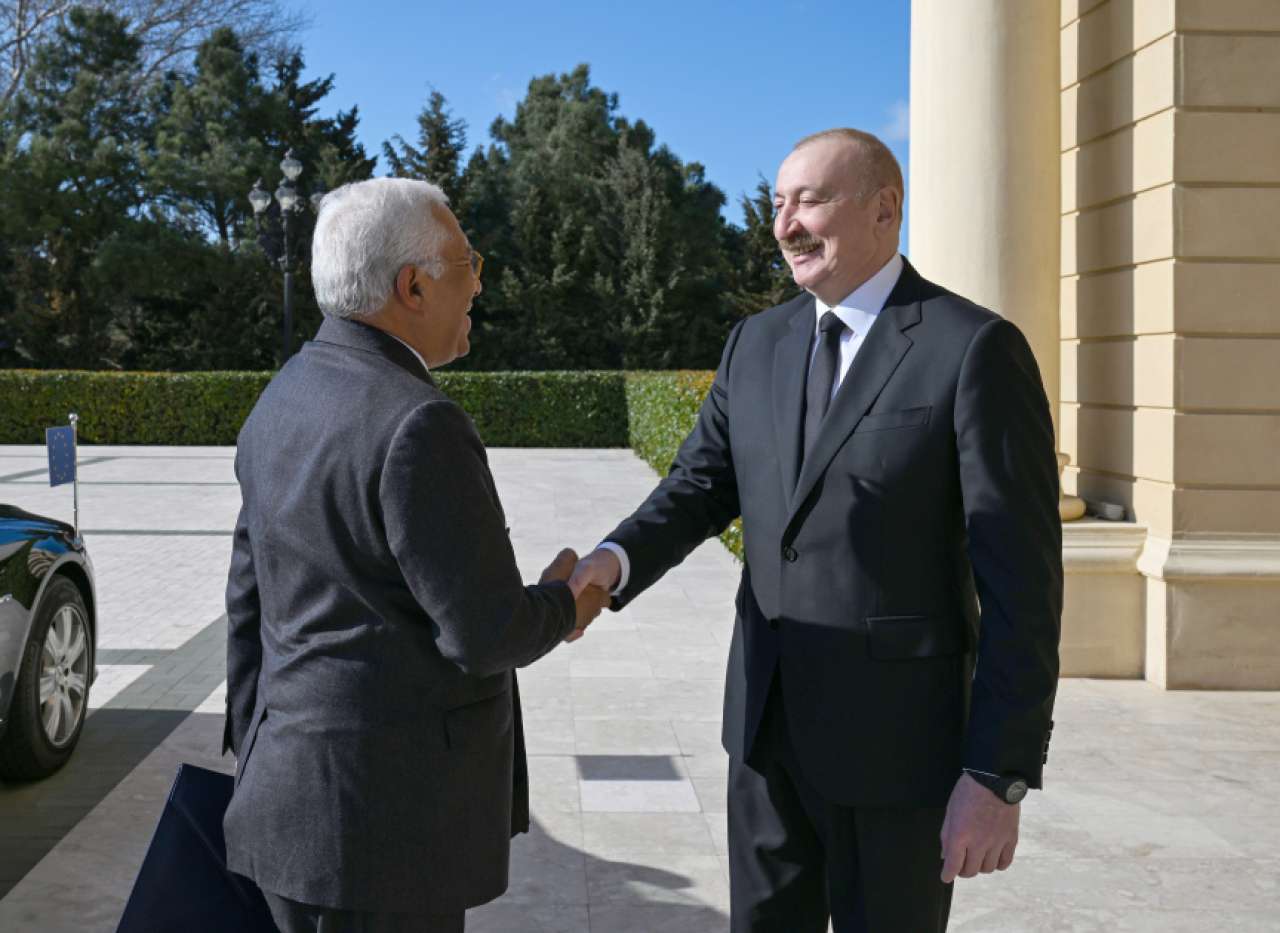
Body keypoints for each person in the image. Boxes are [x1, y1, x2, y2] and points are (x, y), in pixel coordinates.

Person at [570, 128, 1062, 932]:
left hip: (899, 755)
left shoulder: (973, 348)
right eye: (778, 203)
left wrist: (997, 773)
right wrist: (613, 560)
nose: (785, 224)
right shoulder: (755, 343)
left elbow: (1023, 587)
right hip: (765, 739)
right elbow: (698, 486)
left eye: (810, 201)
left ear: (884, 209)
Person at [222, 177, 609, 933]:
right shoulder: (418, 424)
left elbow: (248, 600)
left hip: (288, 808)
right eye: (468, 263)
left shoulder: (285, 393)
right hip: (382, 835)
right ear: (413, 287)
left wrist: (259, 758)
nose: (479, 284)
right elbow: (486, 633)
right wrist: (568, 603)